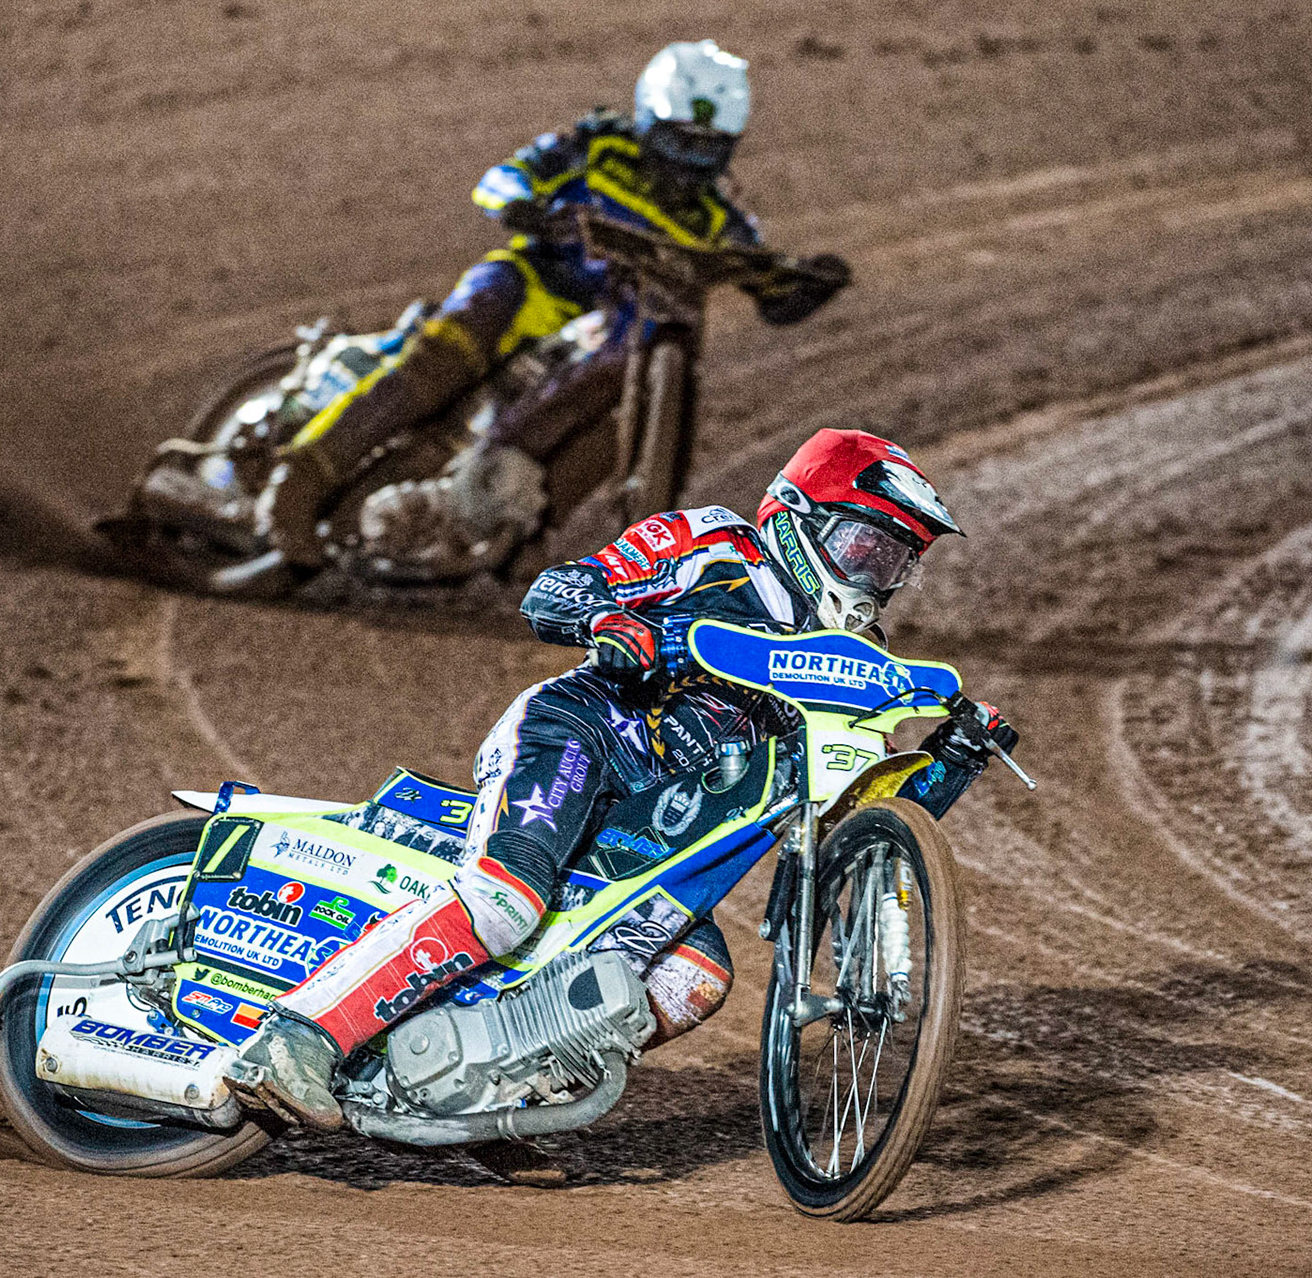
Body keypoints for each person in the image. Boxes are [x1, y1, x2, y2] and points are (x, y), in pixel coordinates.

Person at [239, 428, 1019, 1131]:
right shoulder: (715, 544)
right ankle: (297, 1038)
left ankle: (491, 1095)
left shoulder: (857, 665)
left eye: (895, 565)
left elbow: (850, 826)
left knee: (698, 973)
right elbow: (558, 590)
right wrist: (615, 620)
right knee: (505, 900)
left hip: (660, 826)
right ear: (795, 518)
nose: (875, 578)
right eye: (864, 549)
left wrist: (949, 761)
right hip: (583, 734)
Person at [255, 39, 850, 566]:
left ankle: (522, 534)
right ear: (648, 120)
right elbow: (503, 179)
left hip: (617, 335)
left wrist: (810, 282)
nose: (690, 164)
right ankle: (298, 480)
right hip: (533, 287)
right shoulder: (596, 147)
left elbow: (772, 293)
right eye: (677, 142)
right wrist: (524, 206)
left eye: (709, 150)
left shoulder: (723, 223)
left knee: (614, 415)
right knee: (455, 340)